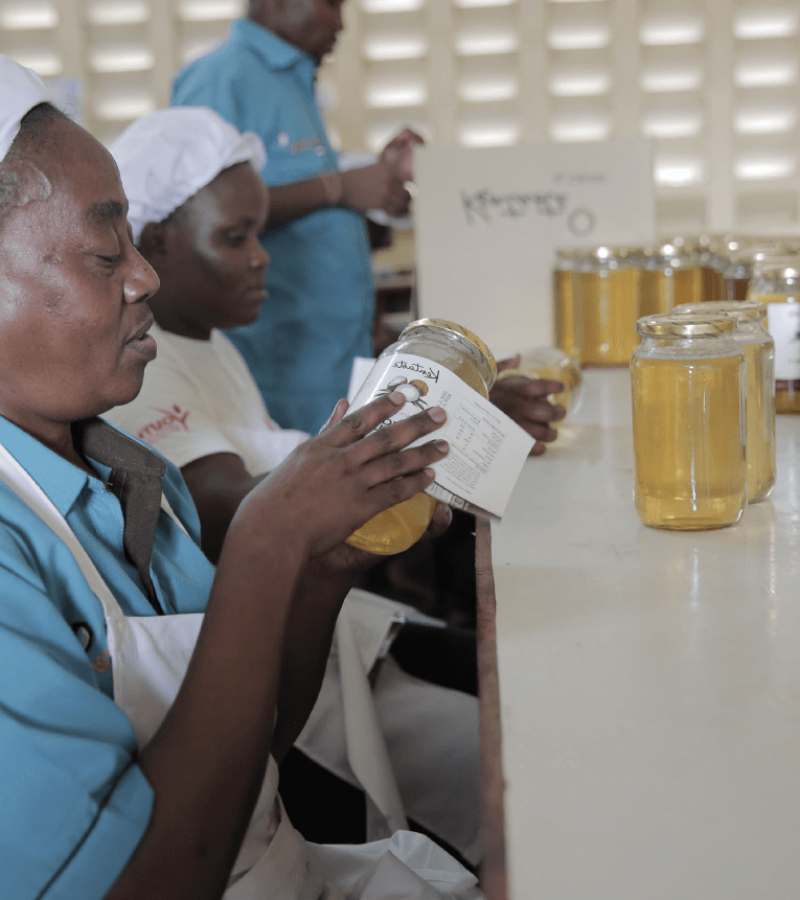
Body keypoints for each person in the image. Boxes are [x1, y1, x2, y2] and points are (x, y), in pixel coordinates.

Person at [0, 56, 482, 900]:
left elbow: (247, 761)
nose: (143, 276)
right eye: (107, 252)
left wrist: (325, 567)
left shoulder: (129, 473)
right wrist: (267, 543)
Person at [171, 0, 567, 447]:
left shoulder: (293, 81)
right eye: (331, 4)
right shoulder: (220, 78)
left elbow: (299, 198)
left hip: (333, 361)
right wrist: (342, 187)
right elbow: (197, 218)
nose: (341, 23)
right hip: (276, 368)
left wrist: (373, 187)